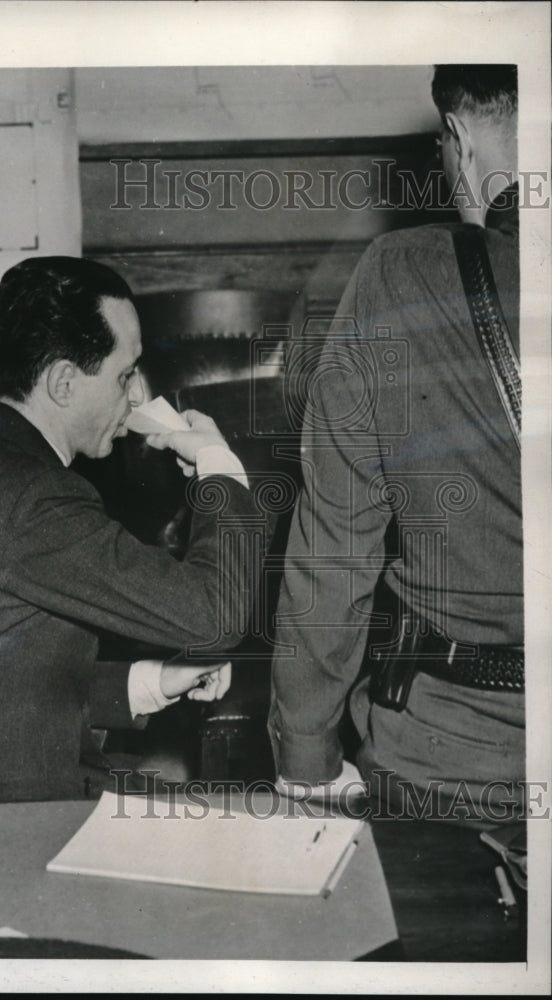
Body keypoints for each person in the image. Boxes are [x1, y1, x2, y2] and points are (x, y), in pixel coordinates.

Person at [0, 256, 261, 804]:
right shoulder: (33, 496)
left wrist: (153, 680)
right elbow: (212, 617)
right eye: (125, 376)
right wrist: (221, 469)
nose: (134, 399)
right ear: (62, 381)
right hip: (3, 836)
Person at [269, 65, 523, 820]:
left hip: (456, 757)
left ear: (461, 137)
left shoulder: (400, 274)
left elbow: (335, 547)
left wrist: (306, 755)